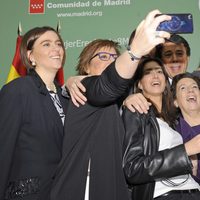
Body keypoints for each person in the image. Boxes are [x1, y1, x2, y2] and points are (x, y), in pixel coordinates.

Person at [50, 10, 172, 200]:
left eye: (115, 57)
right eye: (103, 57)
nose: (111, 61)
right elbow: (106, 85)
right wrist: (135, 52)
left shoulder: (122, 103)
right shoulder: (83, 89)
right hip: (84, 187)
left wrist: (125, 101)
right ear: (86, 66)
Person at [0, 26, 68, 200]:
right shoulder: (18, 90)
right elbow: (3, 147)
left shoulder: (67, 96)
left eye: (58, 44)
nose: (56, 49)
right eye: (46, 44)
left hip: (62, 191)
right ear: (30, 56)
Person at [122, 57, 200, 200]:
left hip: (193, 191)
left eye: (159, 71)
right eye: (148, 72)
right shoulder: (135, 112)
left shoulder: (175, 119)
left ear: (166, 82)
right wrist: (185, 151)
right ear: (139, 83)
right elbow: (132, 168)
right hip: (166, 195)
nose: (155, 75)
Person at [123, 34, 191, 114]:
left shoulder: (197, 82)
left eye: (179, 54)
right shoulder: (150, 87)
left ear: (188, 58)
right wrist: (127, 101)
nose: (174, 59)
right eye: (168, 55)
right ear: (160, 60)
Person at [171, 72, 200, 183]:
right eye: (183, 88)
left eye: (194, 87)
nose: (190, 90)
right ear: (176, 102)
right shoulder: (173, 135)